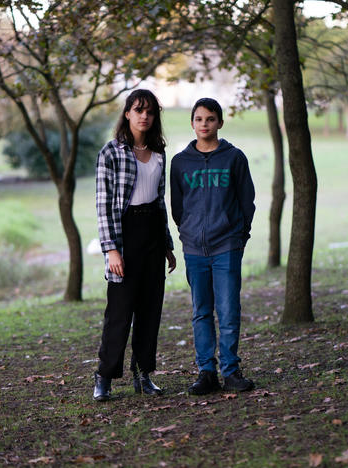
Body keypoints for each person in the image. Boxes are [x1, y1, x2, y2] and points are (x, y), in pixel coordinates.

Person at [93, 89, 176, 402]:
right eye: (138, 110)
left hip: (152, 233)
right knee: (120, 311)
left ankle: (143, 374)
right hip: (124, 235)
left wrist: (167, 244)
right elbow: (103, 205)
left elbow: (160, 200)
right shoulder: (111, 153)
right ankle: (104, 376)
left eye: (150, 111)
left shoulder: (159, 152)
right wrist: (111, 249)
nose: (144, 116)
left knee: (150, 309)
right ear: (127, 113)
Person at [170, 97, 256, 395]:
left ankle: (231, 371)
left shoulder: (234, 158)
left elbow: (247, 202)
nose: (204, 124)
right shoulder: (180, 162)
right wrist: (188, 233)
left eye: (210, 119)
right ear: (192, 123)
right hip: (194, 249)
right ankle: (206, 372)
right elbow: (177, 207)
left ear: (220, 122)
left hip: (227, 247)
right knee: (201, 311)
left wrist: (238, 236)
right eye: (199, 119)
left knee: (228, 310)